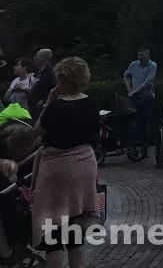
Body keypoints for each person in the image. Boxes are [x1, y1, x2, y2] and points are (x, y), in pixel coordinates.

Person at [32, 57, 100, 268]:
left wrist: (50, 101)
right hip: (85, 166)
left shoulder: (56, 108)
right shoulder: (91, 104)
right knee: (75, 232)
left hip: (57, 169)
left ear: (63, 79)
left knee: (53, 235)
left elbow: (36, 132)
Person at [123, 47, 157, 158]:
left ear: (147, 55)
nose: (139, 58)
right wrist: (129, 89)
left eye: (142, 56)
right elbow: (126, 75)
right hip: (135, 97)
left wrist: (135, 91)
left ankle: (144, 148)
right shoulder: (133, 65)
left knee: (145, 123)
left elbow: (148, 81)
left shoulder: (152, 65)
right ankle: (133, 146)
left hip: (147, 97)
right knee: (134, 122)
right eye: (138, 55)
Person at [27, 49, 56, 118]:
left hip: (43, 110)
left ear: (42, 58)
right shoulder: (39, 72)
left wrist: (44, 101)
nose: (34, 58)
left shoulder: (50, 73)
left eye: (36, 55)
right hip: (35, 109)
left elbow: (54, 88)